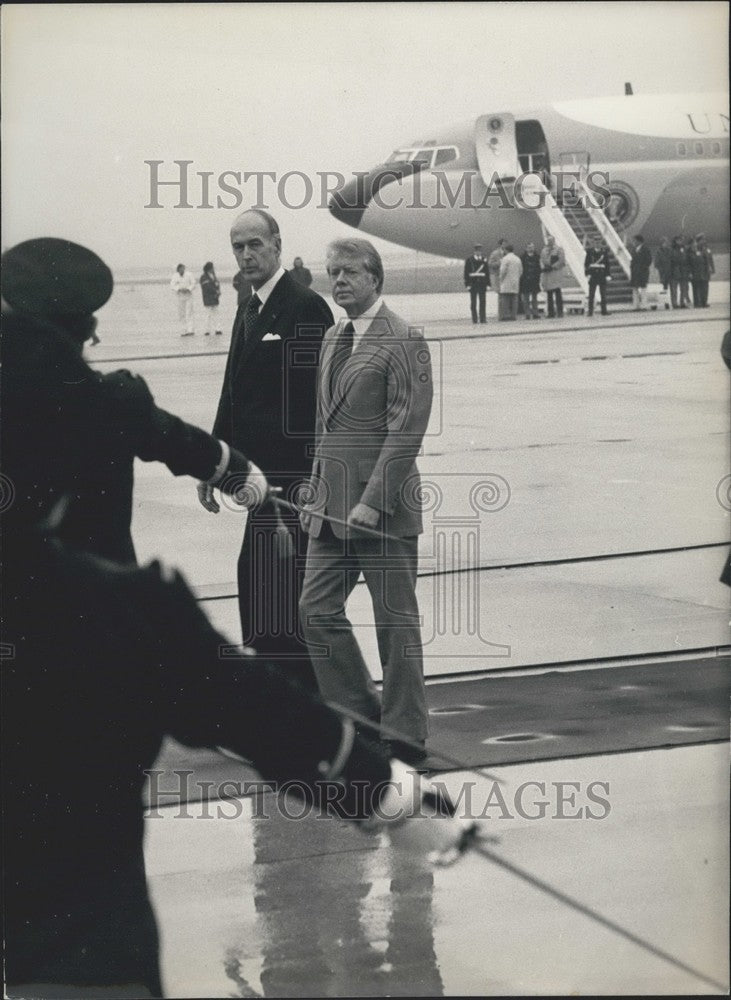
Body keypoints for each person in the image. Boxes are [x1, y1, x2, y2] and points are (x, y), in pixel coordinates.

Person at [1, 345, 466, 997]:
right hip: (78, 943)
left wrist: (222, 464)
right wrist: (390, 798)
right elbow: (252, 710)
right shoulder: (117, 612)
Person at [1, 238, 257, 565]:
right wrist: (246, 477)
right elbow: (183, 443)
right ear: (87, 329)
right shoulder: (115, 400)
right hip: (100, 596)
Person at [298, 238, 433, 766]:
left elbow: (407, 430)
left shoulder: (404, 340)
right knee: (315, 610)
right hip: (329, 507)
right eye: (332, 273)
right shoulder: (334, 337)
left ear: (375, 277)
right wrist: (313, 488)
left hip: (383, 511)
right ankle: (358, 715)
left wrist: (374, 501)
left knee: (394, 621)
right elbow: (322, 427)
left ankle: (405, 734)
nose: (338, 282)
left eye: (349, 272)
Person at [202, 209, 334, 687]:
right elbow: (232, 389)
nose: (246, 254)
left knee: (285, 594)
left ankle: (301, 703)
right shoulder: (247, 306)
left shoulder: (304, 306)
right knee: (259, 588)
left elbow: (322, 402)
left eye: (255, 244)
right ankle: (275, 696)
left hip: (293, 484)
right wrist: (215, 462)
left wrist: (314, 481)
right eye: (238, 246)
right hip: (257, 482)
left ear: (277, 243)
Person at [584, 234, 611, 317]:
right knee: (591, 294)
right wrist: (587, 274)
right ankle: (590, 311)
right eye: (596, 242)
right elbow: (586, 264)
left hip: (602, 275)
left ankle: (604, 310)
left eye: (599, 242)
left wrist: (608, 275)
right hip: (593, 275)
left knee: (603, 294)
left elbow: (607, 264)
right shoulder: (590, 252)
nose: (597, 244)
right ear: (593, 243)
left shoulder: (604, 252)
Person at [463, 243, 489, 323]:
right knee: (473, 303)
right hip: (473, 283)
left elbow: (487, 273)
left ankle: (483, 318)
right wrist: (467, 284)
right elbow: (466, 273)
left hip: (482, 283)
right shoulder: (469, 260)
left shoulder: (484, 260)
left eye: (479, 251)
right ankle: (474, 319)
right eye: (477, 251)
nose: (478, 252)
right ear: (474, 252)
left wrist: (488, 284)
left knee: (482, 302)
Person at [540, 235, 565, 318]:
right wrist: (544, 267)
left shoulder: (559, 250)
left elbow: (561, 261)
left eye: (551, 240)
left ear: (554, 241)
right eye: (548, 240)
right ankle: (551, 312)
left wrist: (553, 266)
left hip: (556, 273)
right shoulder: (544, 250)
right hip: (548, 275)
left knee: (558, 293)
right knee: (549, 295)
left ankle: (560, 311)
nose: (549, 242)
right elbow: (542, 260)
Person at [170, 262, 197, 336]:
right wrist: (179, 289)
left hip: (189, 296)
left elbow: (193, 283)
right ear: (178, 270)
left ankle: (190, 330)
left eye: (183, 268)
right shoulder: (175, 276)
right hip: (180, 296)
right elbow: (172, 285)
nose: (182, 270)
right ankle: (183, 330)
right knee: (181, 314)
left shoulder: (189, 274)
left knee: (189, 313)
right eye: (181, 269)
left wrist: (188, 289)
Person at [498, 244, 522, 321]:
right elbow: (521, 270)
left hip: (506, 281)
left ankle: (505, 316)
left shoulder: (505, 259)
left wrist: (500, 279)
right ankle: (513, 315)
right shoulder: (517, 259)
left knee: (505, 300)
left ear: (506, 250)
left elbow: (503, 271)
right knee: (514, 300)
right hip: (515, 281)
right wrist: (517, 277)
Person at [691, 233, 715, 307]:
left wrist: (712, 269)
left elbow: (710, 259)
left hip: (705, 272)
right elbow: (691, 261)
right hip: (696, 272)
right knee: (697, 288)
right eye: (702, 240)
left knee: (705, 288)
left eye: (704, 239)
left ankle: (704, 302)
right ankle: (697, 303)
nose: (704, 241)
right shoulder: (694, 249)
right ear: (698, 241)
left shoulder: (706, 249)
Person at [199, 261, 223, 335]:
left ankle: (217, 329)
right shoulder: (203, 277)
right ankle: (207, 330)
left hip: (215, 298)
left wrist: (218, 291)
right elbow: (207, 287)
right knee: (207, 315)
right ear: (208, 268)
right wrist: (215, 292)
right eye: (212, 267)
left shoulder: (213, 276)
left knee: (216, 314)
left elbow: (217, 284)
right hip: (208, 298)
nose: (213, 269)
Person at [629, 234, 651, 311]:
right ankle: (636, 306)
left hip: (642, 272)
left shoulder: (645, 249)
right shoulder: (634, 249)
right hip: (635, 272)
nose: (634, 242)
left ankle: (644, 306)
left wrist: (643, 268)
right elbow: (632, 261)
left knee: (643, 289)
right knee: (635, 289)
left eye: (635, 240)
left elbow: (649, 260)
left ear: (639, 241)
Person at [520, 242, 542, 319]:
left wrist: (538, 277)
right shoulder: (522, 257)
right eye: (529, 247)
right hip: (525, 280)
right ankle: (527, 314)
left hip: (534, 280)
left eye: (532, 247)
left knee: (534, 298)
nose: (531, 249)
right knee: (526, 298)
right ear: (526, 248)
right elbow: (520, 269)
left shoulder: (537, 257)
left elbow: (539, 268)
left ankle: (535, 313)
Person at [488, 238, 506, 318]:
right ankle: (501, 314)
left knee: (506, 295)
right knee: (501, 296)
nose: (505, 245)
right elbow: (490, 264)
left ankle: (506, 313)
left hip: (506, 276)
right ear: (500, 244)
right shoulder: (495, 253)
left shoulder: (507, 253)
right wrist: (499, 262)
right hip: (498, 276)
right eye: (504, 243)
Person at [654, 236, 672, 308]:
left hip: (669, 271)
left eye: (666, 242)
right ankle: (665, 302)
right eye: (664, 243)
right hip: (663, 272)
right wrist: (661, 269)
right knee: (664, 288)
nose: (665, 244)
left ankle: (668, 302)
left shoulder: (669, 250)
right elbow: (657, 263)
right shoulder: (659, 252)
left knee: (668, 288)